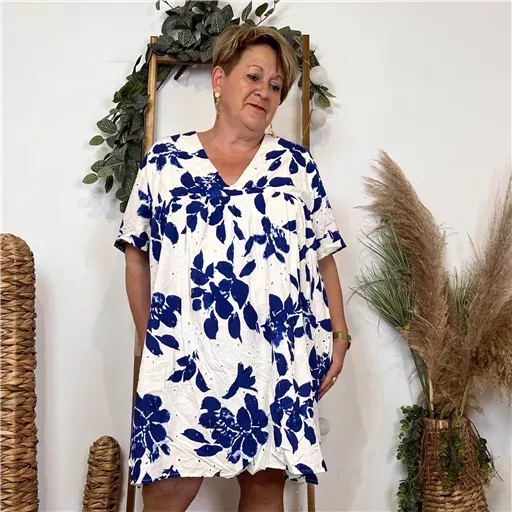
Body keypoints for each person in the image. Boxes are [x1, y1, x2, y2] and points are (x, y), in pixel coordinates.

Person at [115, 25, 350, 512]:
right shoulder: (165, 162)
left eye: (276, 86)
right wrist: (151, 338)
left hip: (273, 356)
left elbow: (323, 255)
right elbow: (135, 251)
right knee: (168, 489)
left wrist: (340, 335)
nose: (264, 91)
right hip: (184, 356)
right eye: (254, 77)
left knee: (263, 488)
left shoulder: (296, 167)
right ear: (220, 80)